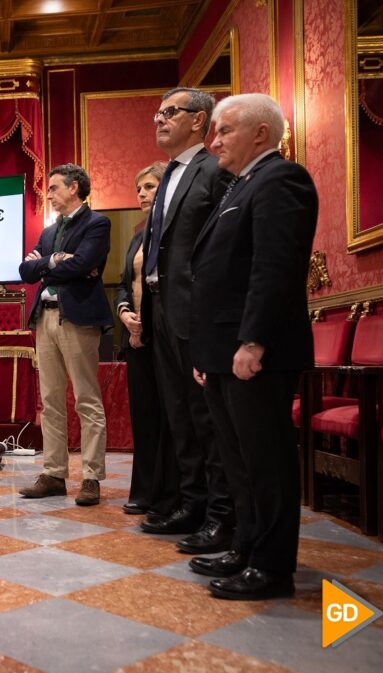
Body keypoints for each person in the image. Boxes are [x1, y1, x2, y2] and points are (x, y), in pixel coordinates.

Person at [188, 93, 317, 600]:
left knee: (266, 463)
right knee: (237, 460)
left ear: (260, 133)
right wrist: (207, 354)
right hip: (223, 352)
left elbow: (274, 269)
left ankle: (272, 566)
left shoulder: (282, 179)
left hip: (253, 351)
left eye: (224, 130)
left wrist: (254, 341)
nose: (214, 140)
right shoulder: (239, 185)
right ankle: (245, 546)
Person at [139, 87, 235, 556]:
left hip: (196, 313)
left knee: (206, 419)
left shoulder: (214, 170)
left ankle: (221, 517)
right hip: (160, 311)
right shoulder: (170, 174)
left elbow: (223, 244)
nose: (159, 120)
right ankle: (190, 504)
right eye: (157, 113)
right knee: (178, 417)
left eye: (169, 112)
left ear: (199, 121)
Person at [18, 163, 111, 505]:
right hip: (45, 319)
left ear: (74, 188)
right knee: (51, 401)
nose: (50, 195)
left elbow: (84, 263)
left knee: (87, 399)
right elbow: (26, 270)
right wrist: (56, 259)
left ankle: (91, 477)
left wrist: (50, 263)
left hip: (78, 319)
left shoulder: (97, 224)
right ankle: (54, 474)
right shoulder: (47, 232)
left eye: (55, 188)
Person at [116, 161, 170, 516]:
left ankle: (171, 496)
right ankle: (145, 491)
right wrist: (124, 314)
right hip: (136, 337)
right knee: (145, 417)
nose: (142, 194)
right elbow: (124, 283)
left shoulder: (173, 230)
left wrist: (147, 322)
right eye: (139, 189)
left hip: (166, 336)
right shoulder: (138, 235)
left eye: (149, 187)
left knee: (170, 418)